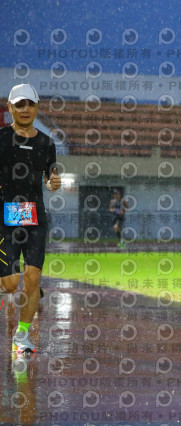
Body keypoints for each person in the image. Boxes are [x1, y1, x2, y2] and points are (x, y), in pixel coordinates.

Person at [0, 83, 60, 354]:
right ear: (10, 108)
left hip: (35, 218)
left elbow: (50, 177)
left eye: (30, 104)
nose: (25, 109)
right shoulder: (1, 138)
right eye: (19, 104)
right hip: (4, 218)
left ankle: (21, 336)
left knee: (33, 278)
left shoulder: (47, 143)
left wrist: (53, 182)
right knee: (11, 284)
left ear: (37, 107)